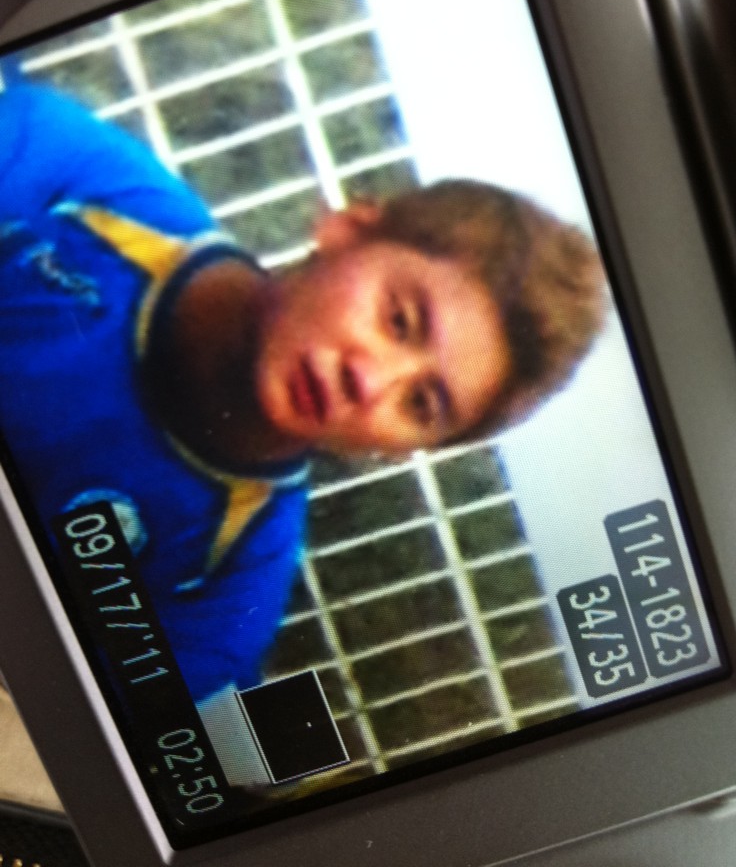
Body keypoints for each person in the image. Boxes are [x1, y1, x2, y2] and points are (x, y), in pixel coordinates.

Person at [0, 84, 606, 713]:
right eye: (399, 320)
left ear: (404, 451)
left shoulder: (224, 601)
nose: (370, 382)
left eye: (421, 404)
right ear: (346, 230)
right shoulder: (87, 185)